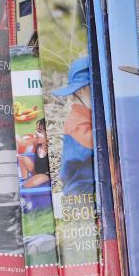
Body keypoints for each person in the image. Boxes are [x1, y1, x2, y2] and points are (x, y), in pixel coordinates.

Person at [50, 56, 95, 196]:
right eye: (94, 87)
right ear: (80, 91)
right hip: (80, 191)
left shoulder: (89, 115)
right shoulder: (76, 122)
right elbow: (98, 144)